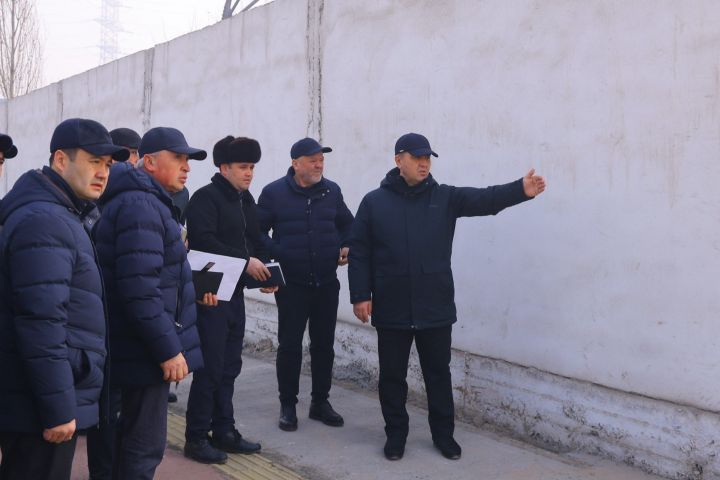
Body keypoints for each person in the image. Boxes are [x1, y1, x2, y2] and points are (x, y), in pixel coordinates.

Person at [348, 133, 546, 461]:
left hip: (435, 306)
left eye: (427, 158)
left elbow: (485, 199)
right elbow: (359, 252)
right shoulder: (374, 202)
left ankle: (444, 436)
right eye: (417, 157)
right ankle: (396, 435)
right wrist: (360, 295)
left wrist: (519, 190)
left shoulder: (445, 197)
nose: (424, 163)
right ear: (398, 160)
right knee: (392, 377)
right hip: (392, 305)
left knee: (438, 375)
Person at [0, 118, 128, 479]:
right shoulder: (46, 221)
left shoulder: (62, 214)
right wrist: (58, 408)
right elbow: (41, 322)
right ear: (60, 160)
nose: (103, 173)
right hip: (38, 407)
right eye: (93, 161)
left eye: (107, 165)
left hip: (40, 396)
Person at [93, 126, 215, 479]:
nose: (186, 167)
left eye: (187, 160)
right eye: (177, 158)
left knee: (123, 441)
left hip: (136, 347)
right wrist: (168, 350)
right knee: (142, 447)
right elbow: (140, 288)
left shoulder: (146, 202)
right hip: (143, 351)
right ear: (148, 162)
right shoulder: (141, 205)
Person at [183, 135, 272, 464]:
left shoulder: (245, 199)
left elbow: (255, 239)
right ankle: (195, 437)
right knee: (210, 367)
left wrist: (267, 272)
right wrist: (245, 261)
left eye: (252, 167)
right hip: (210, 295)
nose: (249, 173)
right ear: (224, 168)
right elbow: (203, 242)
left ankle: (224, 430)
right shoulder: (205, 199)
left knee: (230, 366)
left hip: (235, 294)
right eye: (243, 167)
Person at [257, 137, 354, 432]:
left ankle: (320, 403)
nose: (319, 165)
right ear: (295, 163)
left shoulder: (331, 191)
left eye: (321, 160)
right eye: (312, 160)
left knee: (324, 345)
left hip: (326, 283)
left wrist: (346, 244)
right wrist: (277, 255)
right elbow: (256, 233)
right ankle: (288, 405)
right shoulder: (274, 193)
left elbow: (348, 224)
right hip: (292, 285)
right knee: (290, 346)